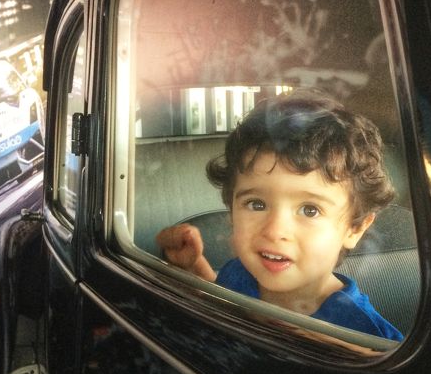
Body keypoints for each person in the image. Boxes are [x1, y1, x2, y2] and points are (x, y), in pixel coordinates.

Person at [156, 91, 403, 341]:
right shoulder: (239, 272)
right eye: (256, 204)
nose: (275, 231)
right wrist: (194, 266)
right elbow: (226, 304)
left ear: (355, 229)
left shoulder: (369, 337)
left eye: (310, 210)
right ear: (231, 210)